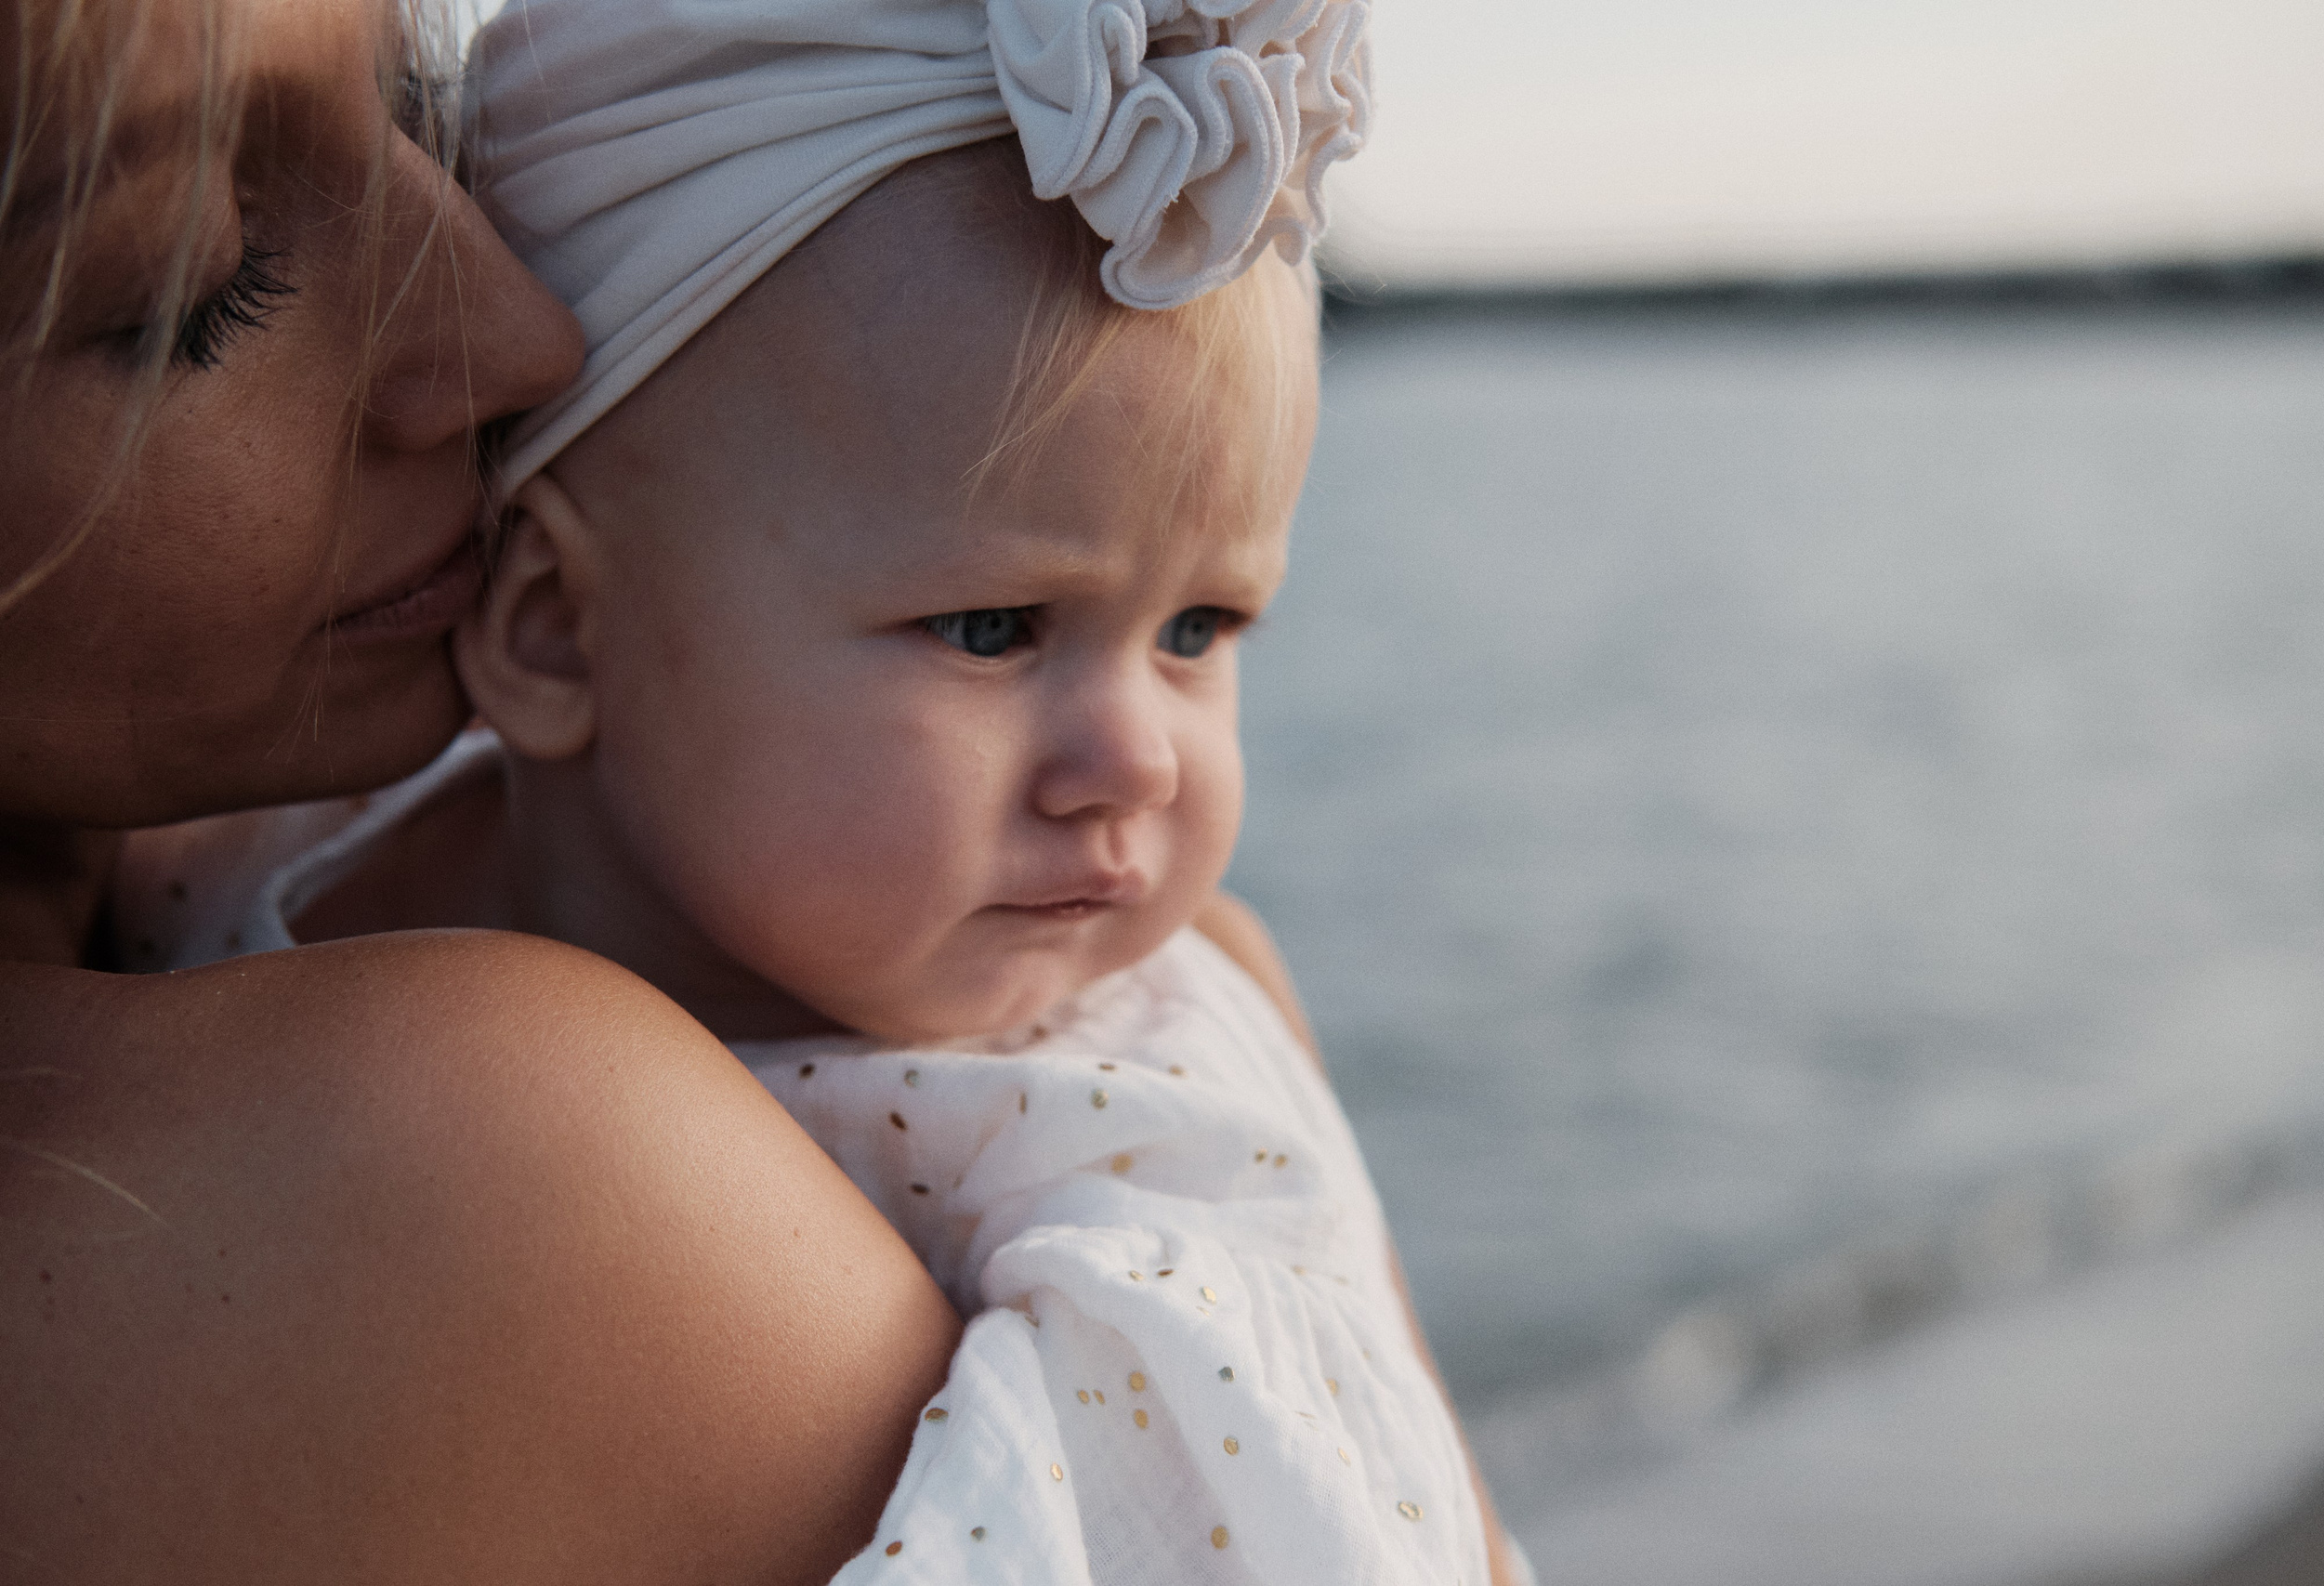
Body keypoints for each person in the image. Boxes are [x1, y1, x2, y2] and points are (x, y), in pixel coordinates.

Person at [116, 2, 1530, 1580]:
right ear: (556, 629)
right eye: (992, 630)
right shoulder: (227, 895)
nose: (1138, 757)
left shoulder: (1145, 1147)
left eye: (1203, 628)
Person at [0, 2, 961, 1580]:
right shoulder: (472, 1175)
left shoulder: (236, 891)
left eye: (419, 117)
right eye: (199, 276)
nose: (519, 333)